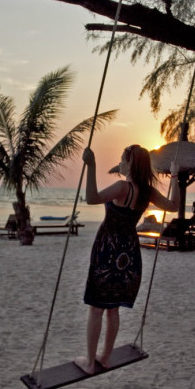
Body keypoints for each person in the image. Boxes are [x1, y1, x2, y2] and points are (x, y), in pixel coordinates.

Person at [74, 145, 180, 375]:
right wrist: (175, 177)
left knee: (96, 308)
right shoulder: (147, 192)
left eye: (122, 159)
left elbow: (91, 198)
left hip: (108, 250)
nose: (120, 163)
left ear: (130, 164)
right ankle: (105, 357)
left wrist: (91, 165)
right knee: (113, 308)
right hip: (128, 254)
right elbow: (173, 206)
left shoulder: (122, 187)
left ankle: (90, 362)